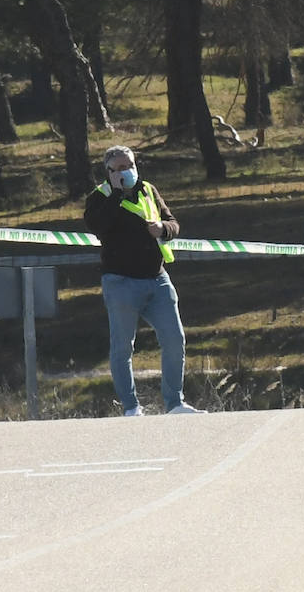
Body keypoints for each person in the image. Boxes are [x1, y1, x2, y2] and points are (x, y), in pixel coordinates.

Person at [83, 146, 204, 416]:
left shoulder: (149, 189)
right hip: (121, 282)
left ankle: (174, 403)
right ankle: (131, 407)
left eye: (130, 165)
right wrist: (116, 194)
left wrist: (164, 229)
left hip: (157, 279)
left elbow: (172, 222)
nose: (126, 172)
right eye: (119, 168)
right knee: (123, 347)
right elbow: (98, 226)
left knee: (175, 339)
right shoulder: (99, 197)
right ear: (109, 173)